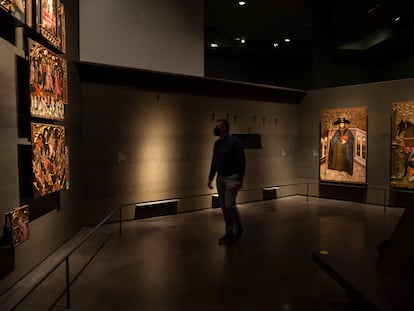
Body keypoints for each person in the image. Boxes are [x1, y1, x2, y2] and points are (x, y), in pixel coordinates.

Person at [208, 119, 246, 244]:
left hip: (231, 177)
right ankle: (229, 231)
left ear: (224, 128)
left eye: (218, 127)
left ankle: (238, 228)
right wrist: (210, 177)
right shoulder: (217, 144)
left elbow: (241, 161)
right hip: (220, 177)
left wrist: (240, 179)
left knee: (230, 205)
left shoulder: (234, 142)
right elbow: (214, 161)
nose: (216, 128)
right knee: (224, 206)